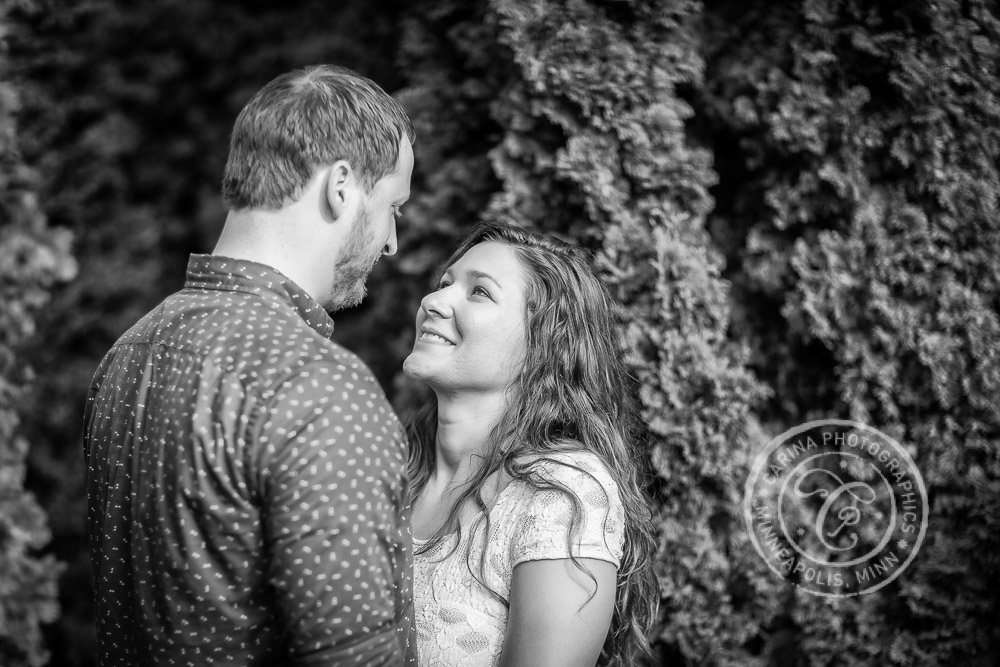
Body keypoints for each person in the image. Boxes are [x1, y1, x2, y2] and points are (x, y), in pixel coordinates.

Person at [84, 64, 416, 666]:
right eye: (394, 206)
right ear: (341, 185)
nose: (393, 241)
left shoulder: (130, 351)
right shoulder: (317, 387)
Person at [401, 220, 658, 667]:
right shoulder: (395, 471)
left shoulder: (561, 495)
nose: (433, 301)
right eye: (445, 283)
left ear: (543, 342)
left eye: (478, 291)